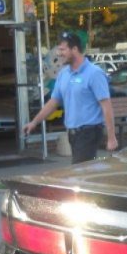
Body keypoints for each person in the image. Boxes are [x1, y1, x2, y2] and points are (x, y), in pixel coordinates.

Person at [23, 31, 117, 164]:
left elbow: (106, 107)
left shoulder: (94, 73)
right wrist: (34, 122)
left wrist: (111, 137)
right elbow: (53, 102)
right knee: (83, 174)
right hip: (72, 133)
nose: (59, 53)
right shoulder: (64, 74)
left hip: (89, 132)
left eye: (63, 49)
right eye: (59, 50)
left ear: (75, 49)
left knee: (79, 173)